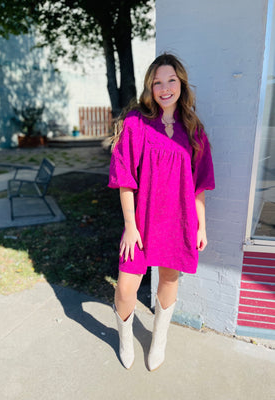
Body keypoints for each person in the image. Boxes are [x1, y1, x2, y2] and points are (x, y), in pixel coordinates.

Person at [108, 53, 215, 371]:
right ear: (150, 87)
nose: (165, 88)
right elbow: (124, 178)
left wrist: (201, 226)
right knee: (126, 288)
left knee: (168, 279)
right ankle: (126, 336)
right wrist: (130, 225)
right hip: (141, 222)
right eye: (157, 82)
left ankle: (159, 339)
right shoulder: (136, 123)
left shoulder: (194, 130)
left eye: (171, 80)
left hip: (179, 221)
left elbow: (199, 185)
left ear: (181, 83)